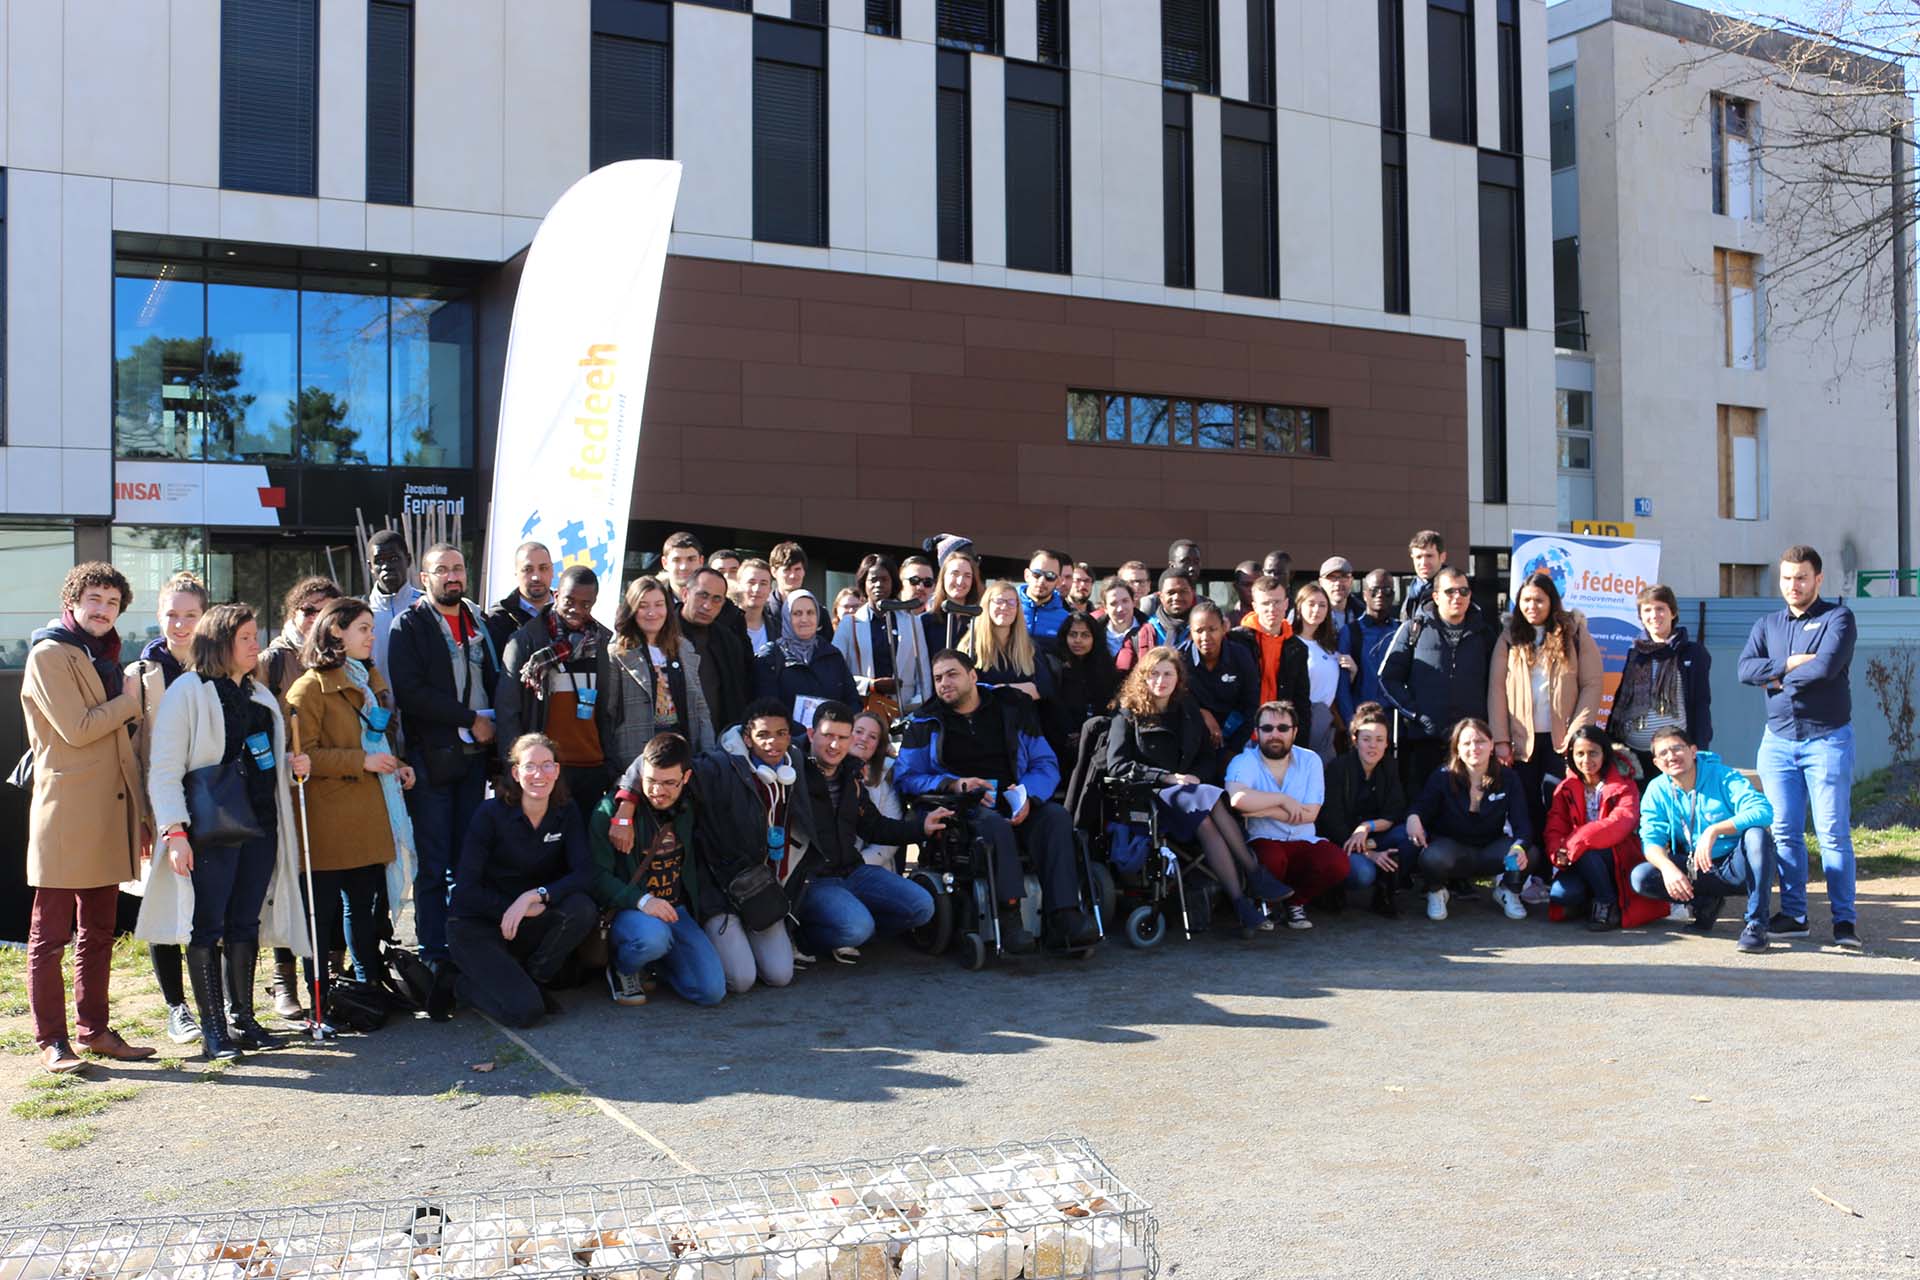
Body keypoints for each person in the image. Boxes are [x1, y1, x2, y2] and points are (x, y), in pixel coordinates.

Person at [144, 603, 312, 1061]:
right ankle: (214, 1030)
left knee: (245, 923)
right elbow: (163, 768)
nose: (256, 644)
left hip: (260, 826)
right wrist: (174, 831)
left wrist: (295, 766)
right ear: (220, 642)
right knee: (207, 925)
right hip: (210, 830)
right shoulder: (189, 692)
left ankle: (244, 1019)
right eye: (245, 637)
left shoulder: (259, 696)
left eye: (256, 635)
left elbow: (268, 765)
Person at [22, 562, 156, 1072]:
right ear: (73, 602)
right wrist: (128, 701)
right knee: (49, 936)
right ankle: (53, 1041)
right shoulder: (50, 653)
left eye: (113, 603)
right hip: (65, 814)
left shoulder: (102, 656)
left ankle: (95, 1030)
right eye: (94, 600)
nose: (103, 610)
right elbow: (77, 729)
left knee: (99, 931)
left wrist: (140, 814)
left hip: (109, 809)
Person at [896, 651, 1100, 953]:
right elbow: (906, 777)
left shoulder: (1011, 709)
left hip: (1013, 797)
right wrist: (953, 783)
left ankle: (1065, 916)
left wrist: (1028, 797)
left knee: (1056, 817)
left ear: (973, 676)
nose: (943, 683)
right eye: (938, 678)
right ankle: (1009, 916)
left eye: (952, 674)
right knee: (992, 825)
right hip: (962, 808)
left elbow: (1045, 763)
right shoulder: (925, 722)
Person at [284, 597, 416, 1024]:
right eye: (363, 628)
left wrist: (396, 766)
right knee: (321, 917)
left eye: (371, 629)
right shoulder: (308, 688)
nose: (371, 635)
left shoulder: (370, 680)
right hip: (327, 823)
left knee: (363, 911)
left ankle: (366, 989)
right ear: (336, 631)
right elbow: (303, 757)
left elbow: (378, 743)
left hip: (368, 815)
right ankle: (320, 1001)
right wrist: (360, 762)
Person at [1106, 650, 1285, 938]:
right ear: (1142, 676)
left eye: (1168, 674)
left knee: (1206, 807)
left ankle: (1242, 898)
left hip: (1191, 793)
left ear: (1178, 679)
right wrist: (1166, 777)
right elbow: (1117, 765)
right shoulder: (1127, 714)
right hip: (1149, 797)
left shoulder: (1187, 708)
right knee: (1205, 807)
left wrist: (1193, 777)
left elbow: (1206, 755)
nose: (1161, 680)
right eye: (1154, 673)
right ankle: (1252, 878)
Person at [1737, 545, 1860, 948]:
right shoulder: (1767, 624)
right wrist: (1788, 664)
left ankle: (1845, 923)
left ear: (1818, 579)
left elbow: (1826, 668)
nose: (1794, 585)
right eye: (1787, 578)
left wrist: (1771, 678)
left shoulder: (1838, 618)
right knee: (1786, 833)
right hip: (1777, 743)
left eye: (1802, 577)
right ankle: (1795, 915)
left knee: (1832, 834)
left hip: (1827, 739)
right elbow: (1744, 669)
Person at [389, 543, 503, 970]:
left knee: (467, 862)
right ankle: (434, 956)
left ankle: (465, 953)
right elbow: (411, 693)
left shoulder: (479, 621)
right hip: (432, 762)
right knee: (434, 866)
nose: (452, 576)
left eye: (458, 568)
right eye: (442, 570)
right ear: (424, 578)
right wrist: (470, 717)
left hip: (475, 762)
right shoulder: (410, 626)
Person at [658, 699, 819, 992]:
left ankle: (743, 942)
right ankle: (706, 948)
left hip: (763, 893)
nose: (774, 742)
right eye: (763, 735)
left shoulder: (793, 765)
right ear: (747, 738)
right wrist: (627, 800)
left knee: (780, 976)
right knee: (742, 981)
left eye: (781, 733)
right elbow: (656, 766)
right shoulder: (719, 766)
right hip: (722, 890)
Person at [446, 734, 598, 1026]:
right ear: (516, 773)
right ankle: (459, 984)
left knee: (582, 907)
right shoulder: (489, 814)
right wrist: (509, 908)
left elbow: (585, 874)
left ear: (557, 770)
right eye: (530, 766)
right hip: (478, 926)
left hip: (528, 917)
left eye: (547, 765)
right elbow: (465, 890)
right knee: (526, 1013)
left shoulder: (566, 811)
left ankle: (531, 980)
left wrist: (534, 896)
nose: (539, 774)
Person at [792, 702, 946, 960]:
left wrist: (922, 828)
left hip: (852, 871)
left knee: (922, 907)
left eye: (842, 738)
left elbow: (874, 826)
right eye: (828, 736)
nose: (835, 745)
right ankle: (806, 937)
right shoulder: (794, 772)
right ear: (811, 734)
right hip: (813, 880)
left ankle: (852, 928)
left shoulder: (850, 774)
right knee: (857, 927)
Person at [128, 571, 208, 1047]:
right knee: (164, 908)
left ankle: (212, 1004)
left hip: (215, 805)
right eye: (172, 615)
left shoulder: (218, 666)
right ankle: (176, 1008)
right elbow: (136, 753)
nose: (180, 625)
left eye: (190, 615)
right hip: (163, 809)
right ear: (159, 617)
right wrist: (143, 817)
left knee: (210, 908)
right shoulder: (140, 674)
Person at [589, 733, 727, 1008]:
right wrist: (643, 901)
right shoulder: (610, 812)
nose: (658, 791)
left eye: (669, 783)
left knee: (711, 991)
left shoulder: (689, 804)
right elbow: (596, 877)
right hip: (630, 911)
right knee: (653, 938)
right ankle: (623, 968)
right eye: (651, 781)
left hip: (676, 910)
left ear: (685, 778)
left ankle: (655, 966)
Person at [1631, 727, 1777, 954]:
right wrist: (1668, 868)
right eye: (1664, 754)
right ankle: (1705, 903)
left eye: (1677, 748)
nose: (1672, 756)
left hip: (1734, 865)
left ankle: (1757, 925)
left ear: (1692, 751)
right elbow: (1650, 840)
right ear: (1657, 763)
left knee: (1756, 834)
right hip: (1695, 867)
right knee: (1642, 877)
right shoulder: (1656, 790)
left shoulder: (1723, 776)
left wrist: (1714, 831)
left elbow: (1763, 810)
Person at [1487, 571, 1603, 844]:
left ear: (1551, 602)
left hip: (1561, 741)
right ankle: (1530, 869)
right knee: (1525, 806)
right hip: (1521, 742)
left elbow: (1592, 685)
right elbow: (1496, 689)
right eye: (1526, 600)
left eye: (1539, 600)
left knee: (1558, 804)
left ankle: (1559, 867)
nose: (1532, 606)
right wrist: (1501, 739)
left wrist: (1577, 736)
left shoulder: (1574, 634)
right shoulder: (1508, 638)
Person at [497, 565, 618, 819]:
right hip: (545, 771)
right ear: (555, 595)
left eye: (586, 604)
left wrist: (610, 766)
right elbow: (508, 711)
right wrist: (514, 770)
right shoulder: (525, 642)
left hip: (593, 769)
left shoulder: (602, 643)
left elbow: (607, 710)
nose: (577, 609)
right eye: (569, 600)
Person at [1225, 700, 1348, 929]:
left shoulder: (1310, 760)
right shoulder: (1244, 760)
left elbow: (1310, 814)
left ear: (1294, 732)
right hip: (1264, 839)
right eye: (1267, 728)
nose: (1275, 734)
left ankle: (1295, 903)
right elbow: (1238, 801)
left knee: (1337, 862)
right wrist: (1283, 800)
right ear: (1256, 732)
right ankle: (1266, 906)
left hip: (1303, 838)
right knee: (1272, 857)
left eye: (1283, 728)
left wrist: (1260, 809)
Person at [1379, 566, 1497, 796]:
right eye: (1450, 591)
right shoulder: (1413, 629)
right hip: (1424, 741)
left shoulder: (1485, 634)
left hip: (1471, 746)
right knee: (1423, 808)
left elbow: (1499, 685)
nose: (1458, 597)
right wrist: (1416, 715)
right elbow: (1387, 679)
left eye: (1464, 591)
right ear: (1436, 596)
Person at [1404, 718, 1533, 923]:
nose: (1474, 747)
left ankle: (1508, 890)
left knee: (1530, 853)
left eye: (1480, 741)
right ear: (1457, 748)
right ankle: (1437, 891)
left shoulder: (1509, 778)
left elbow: (1522, 825)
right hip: (1453, 851)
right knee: (1431, 857)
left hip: (1491, 850)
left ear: (1491, 745)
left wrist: (1518, 847)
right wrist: (1413, 818)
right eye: (1466, 743)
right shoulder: (1443, 776)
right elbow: (1421, 806)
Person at [1540, 725, 1664, 931]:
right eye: (1579, 754)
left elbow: (1621, 822)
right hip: (1577, 855)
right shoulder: (1566, 788)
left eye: (1593, 753)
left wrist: (1577, 842)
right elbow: (1555, 825)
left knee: (1589, 852)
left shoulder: (1624, 784)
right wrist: (1557, 852)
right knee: (1561, 895)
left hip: (1618, 855)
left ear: (1604, 753)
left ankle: (1607, 902)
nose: (1586, 760)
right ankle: (1592, 898)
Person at [1318, 703, 1416, 918]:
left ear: (1386, 743)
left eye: (1379, 740)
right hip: (1342, 840)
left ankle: (1385, 893)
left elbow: (1395, 811)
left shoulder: (1389, 766)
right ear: (1355, 740)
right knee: (1363, 873)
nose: (1373, 746)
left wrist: (1366, 827)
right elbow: (1331, 822)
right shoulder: (1338, 768)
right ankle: (1334, 888)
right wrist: (1370, 854)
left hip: (1372, 835)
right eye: (1366, 739)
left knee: (1410, 837)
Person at [1610, 584, 1713, 783]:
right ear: (1640, 616)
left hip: (1674, 755)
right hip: (1635, 755)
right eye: (1647, 610)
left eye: (1660, 608)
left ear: (1673, 613)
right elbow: (1621, 699)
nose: (1654, 615)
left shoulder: (1693, 653)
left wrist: (1700, 747)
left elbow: (1701, 703)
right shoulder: (1635, 653)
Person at [611, 575, 715, 768]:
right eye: (643, 605)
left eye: (659, 604)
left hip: (682, 747)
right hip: (637, 753)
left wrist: (709, 752)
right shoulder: (617, 654)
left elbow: (700, 707)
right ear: (632, 609)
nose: (652, 613)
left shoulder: (684, 648)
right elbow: (609, 713)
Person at [835, 553, 935, 715]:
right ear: (863, 583)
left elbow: (923, 673)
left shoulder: (912, 621)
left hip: (905, 713)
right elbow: (836, 672)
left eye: (884, 579)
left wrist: (915, 706)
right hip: (863, 712)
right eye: (873, 580)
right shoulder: (849, 624)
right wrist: (871, 685)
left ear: (893, 583)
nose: (878, 585)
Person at [752, 589, 859, 731]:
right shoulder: (770, 657)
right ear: (786, 617)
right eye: (797, 614)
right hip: (789, 744)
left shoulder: (832, 654)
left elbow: (852, 700)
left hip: (832, 741)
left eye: (810, 613)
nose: (804, 619)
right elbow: (768, 709)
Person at [1182, 601, 1259, 779]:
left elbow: (1251, 705)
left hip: (1236, 737)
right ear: (1190, 632)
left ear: (1224, 628)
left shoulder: (1241, 656)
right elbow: (1176, 702)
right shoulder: (1180, 659)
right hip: (1195, 742)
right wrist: (1202, 713)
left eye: (1212, 629)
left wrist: (1233, 750)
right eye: (1199, 631)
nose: (1205, 637)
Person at [679, 567, 752, 733]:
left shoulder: (729, 642)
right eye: (702, 595)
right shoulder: (662, 634)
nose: (707, 605)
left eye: (716, 599)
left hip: (719, 739)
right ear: (685, 594)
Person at [1230, 576, 1309, 727]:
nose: (1272, 609)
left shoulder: (1297, 648)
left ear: (1286, 603)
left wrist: (1299, 741)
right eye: (1265, 603)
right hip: (1241, 728)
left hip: (1279, 731)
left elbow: (1301, 700)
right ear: (1254, 606)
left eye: (1277, 602)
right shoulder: (1235, 640)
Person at [1046, 613, 1118, 776]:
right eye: (1073, 634)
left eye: (1085, 635)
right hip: (1059, 740)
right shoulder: (1054, 665)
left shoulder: (1105, 668)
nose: (1078, 640)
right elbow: (1051, 705)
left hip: (1096, 740)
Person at [962, 580, 1054, 702]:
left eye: (1011, 602)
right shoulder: (970, 646)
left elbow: (1045, 688)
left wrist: (1003, 688)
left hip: (1024, 718)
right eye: (999, 601)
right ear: (987, 605)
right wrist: (1025, 689)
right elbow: (967, 692)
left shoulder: (1029, 647)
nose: (1005, 607)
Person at [1292, 582, 1355, 759]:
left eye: (1322, 605)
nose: (1316, 610)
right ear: (1299, 607)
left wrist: (1352, 672)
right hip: (1300, 715)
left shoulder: (1329, 646)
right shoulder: (1290, 643)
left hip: (1326, 718)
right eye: (1311, 604)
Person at [257, 576, 342, 706]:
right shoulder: (270, 662)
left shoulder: (348, 657)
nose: (316, 619)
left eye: (326, 612)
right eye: (308, 611)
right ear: (294, 612)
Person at [849, 709, 910, 871]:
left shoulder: (886, 777)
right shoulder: (826, 770)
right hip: (828, 869)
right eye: (859, 731)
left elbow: (888, 839)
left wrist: (858, 863)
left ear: (878, 746)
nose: (864, 739)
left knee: (920, 897)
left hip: (869, 866)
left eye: (872, 737)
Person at [366, 529, 422, 678]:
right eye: (379, 561)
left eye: (394, 559)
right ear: (370, 567)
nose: (386, 566)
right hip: (374, 700)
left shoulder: (427, 606)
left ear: (408, 560)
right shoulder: (359, 612)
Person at [484, 540, 554, 656]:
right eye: (528, 570)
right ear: (516, 573)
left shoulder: (570, 613)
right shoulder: (497, 620)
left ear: (552, 571)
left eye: (543, 568)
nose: (536, 577)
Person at [1351, 570, 1400, 708]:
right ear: (1365, 594)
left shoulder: (1401, 631)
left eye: (1387, 590)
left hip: (1395, 718)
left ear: (1393, 595)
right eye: (1374, 590)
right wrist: (1350, 721)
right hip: (1361, 717)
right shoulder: (1350, 632)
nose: (1380, 594)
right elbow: (1342, 686)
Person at [924, 546, 983, 653]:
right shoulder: (925, 621)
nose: (960, 581)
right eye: (954, 574)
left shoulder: (980, 621)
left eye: (967, 576)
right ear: (943, 577)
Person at [1019, 548, 1072, 642]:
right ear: (1027, 575)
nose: (1041, 581)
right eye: (1036, 574)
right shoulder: (1007, 607)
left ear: (1059, 582)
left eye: (1050, 576)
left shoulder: (1067, 620)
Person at [1100, 577, 1149, 668]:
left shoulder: (1150, 631)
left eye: (1125, 601)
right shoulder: (1094, 633)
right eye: (1113, 603)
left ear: (1133, 602)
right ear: (1105, 607)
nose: (1120, 609)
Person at [1140, 569, 1195, 649]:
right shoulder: (1147, 629)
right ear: (1160, 596)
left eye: (1183, 591)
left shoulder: (1202, 627)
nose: (1177, 597)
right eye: (1171, 593)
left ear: (1193, 594)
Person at [735, 557, 780, 652]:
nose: (757, 589)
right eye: (751, 582)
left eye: (763, 583)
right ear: (739, 585)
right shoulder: (725, 624)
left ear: (770, 589)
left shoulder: (778, 629)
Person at [1401, 530, 1446, 621]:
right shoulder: (1412, 591)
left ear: (1442, 557)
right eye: (1418, 557)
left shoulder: (1453, 590)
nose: (1423, 563)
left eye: (1429, 556)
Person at [768, 540, 810, 635]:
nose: (793, 575)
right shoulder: (763, 612)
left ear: (804, 572)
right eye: (786, 570)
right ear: (773, 572)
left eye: (797, 569)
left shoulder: (818, 612)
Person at [660, 531, 706, 602]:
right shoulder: (649, 600)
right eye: (676, 560)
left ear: (701, 561)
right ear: (665, 563)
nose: (684, 567)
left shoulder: (718, 602)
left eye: (691, 559)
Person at [1319, 556, 1365, 626]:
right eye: (1331, 577)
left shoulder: (1363, 615)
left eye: (1344, 577)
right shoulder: (1309, 615)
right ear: (1321, 582)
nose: (1338, 583)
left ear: (1351, 581)